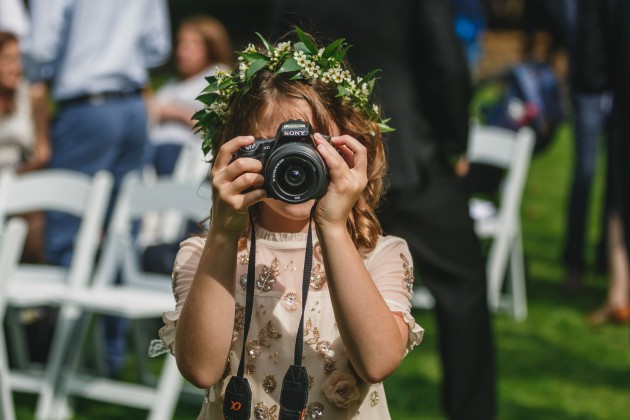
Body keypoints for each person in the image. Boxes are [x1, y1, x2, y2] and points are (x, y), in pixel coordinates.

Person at [156, 28, 423, 419]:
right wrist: (224, 235)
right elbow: (200, 370)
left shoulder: (378, 255)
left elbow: (378, 361)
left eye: (313, 147)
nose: (296, 165)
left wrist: (332, 227)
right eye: (275, 149)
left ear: (349, 147)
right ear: (237, 153)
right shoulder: (208, 255)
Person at [268, 1, 496, 419]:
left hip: (318, 160)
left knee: (304, 282)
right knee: (462, 291)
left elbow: (277, 55)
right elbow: (443, 60)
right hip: (411, 158)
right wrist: (453, 143)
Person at [22, 0, 171, 377]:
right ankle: (111, 356)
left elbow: (40, 48)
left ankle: (60, 355)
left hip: (85, 107)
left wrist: (43, 73)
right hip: (134, 108)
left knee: (67, 231)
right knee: (123, 235)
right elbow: (158, 46)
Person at [148, 15, 233, 176]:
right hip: (151, 150)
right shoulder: (171, 83)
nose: (181, 52)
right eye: (180, 43)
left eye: (191, 45)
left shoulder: (218, 76)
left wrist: (177, 113)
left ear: (210, 47)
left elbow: (218, 128)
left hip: (183, 154)